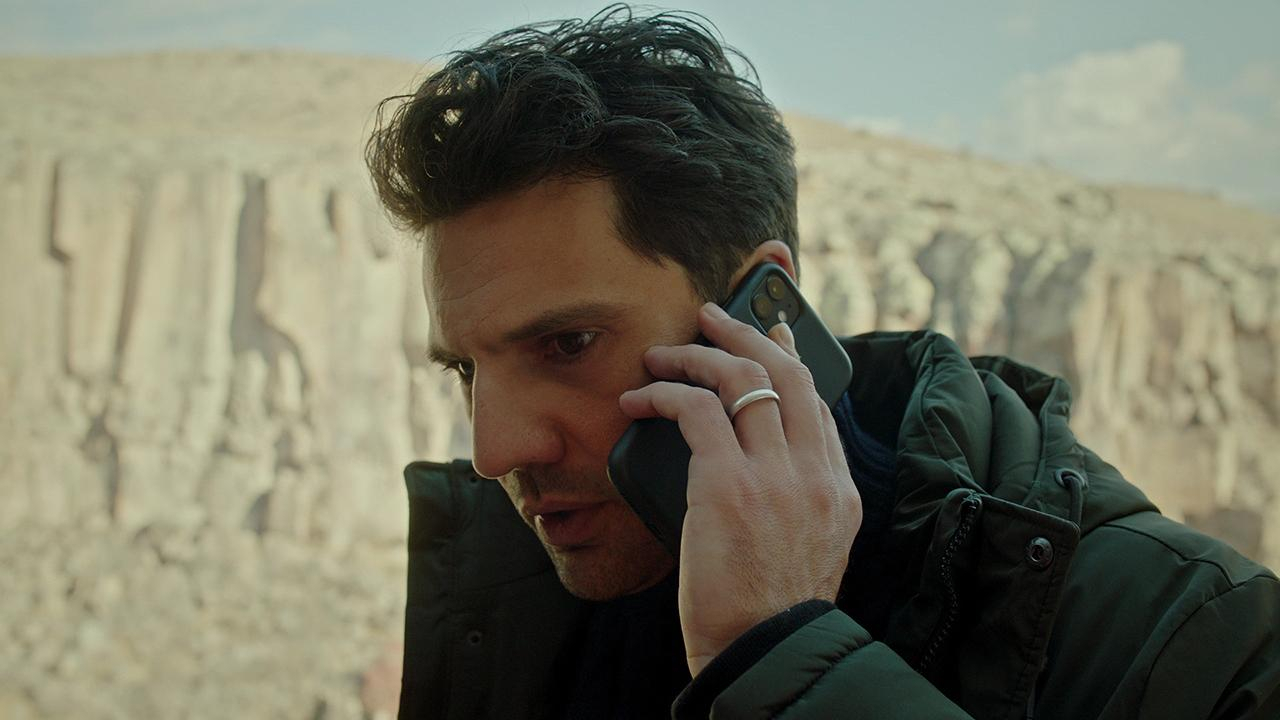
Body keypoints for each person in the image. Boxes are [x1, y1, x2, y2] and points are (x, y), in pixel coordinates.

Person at [365, 5, 1280, 718]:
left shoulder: (1200, 640)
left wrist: (780, 654)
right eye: (466, 370)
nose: (495, 450)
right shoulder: (509, 610)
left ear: (764, 313)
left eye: (568, 345)